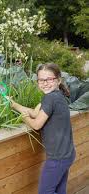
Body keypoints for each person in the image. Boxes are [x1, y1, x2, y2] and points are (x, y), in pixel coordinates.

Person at [10, 63, 75, 194]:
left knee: (45, 191)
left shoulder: (50, 98)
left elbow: (36, 124)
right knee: (59, 189)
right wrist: (15, 105)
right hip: (67, 154)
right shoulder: (57, 96)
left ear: (58, 80)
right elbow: (35, 114)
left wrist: (23, 117)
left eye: (49, 79)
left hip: (57, 158)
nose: (45, 83)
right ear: (37, 81)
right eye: (41, 80)